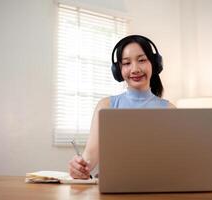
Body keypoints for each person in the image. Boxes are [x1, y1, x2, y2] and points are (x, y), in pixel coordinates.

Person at [68, 35, 175, 179]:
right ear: (118, 70)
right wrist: (79, 167)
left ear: (154, 64)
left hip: (156, 185)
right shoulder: (105, 106)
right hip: (113, 187)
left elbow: (175, 161)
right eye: (126, 63)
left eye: (142, 60)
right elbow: (89, 159)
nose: (135, 69)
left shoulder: (170, 110)